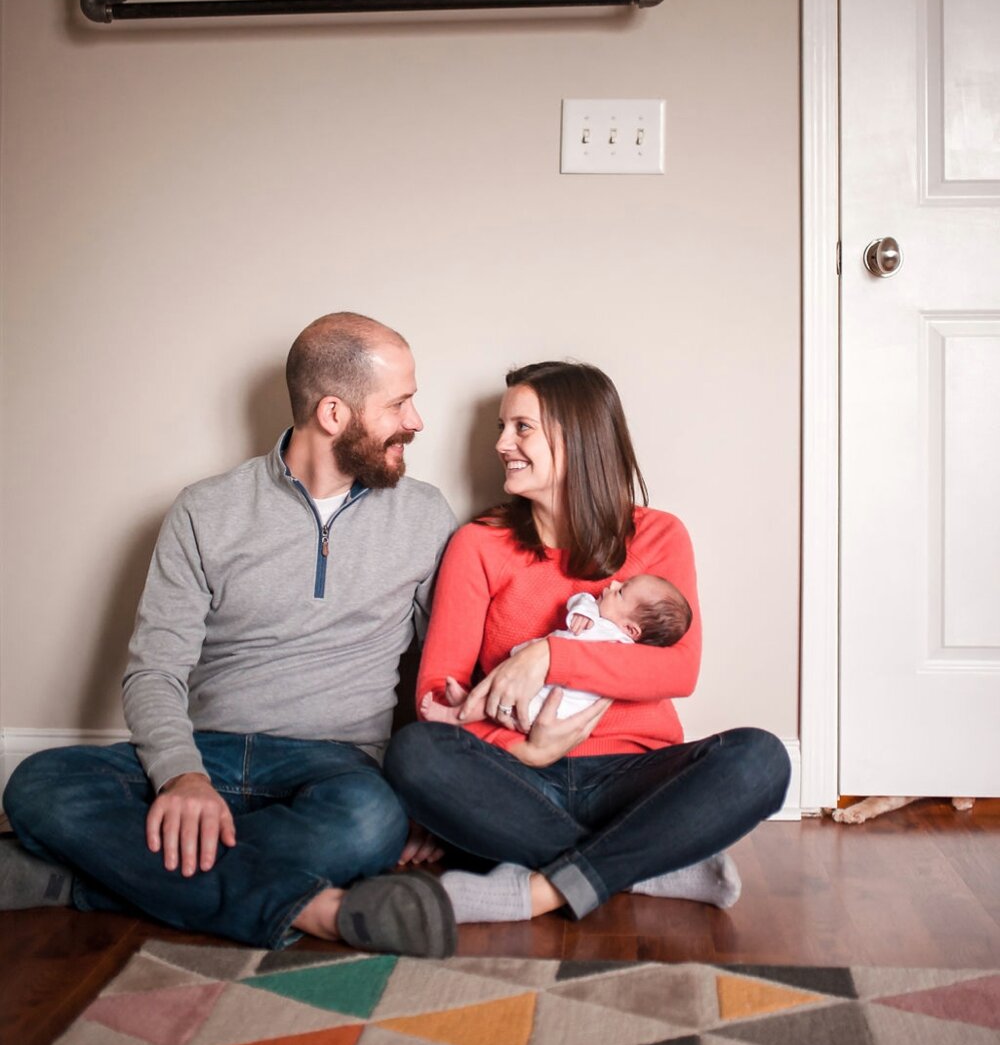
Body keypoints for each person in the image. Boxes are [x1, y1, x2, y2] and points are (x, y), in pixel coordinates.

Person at [1, 313, 459, 955]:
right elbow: (154, 671)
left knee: (369, 824)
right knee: (39, 783)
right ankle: (316, 908)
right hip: (207, 752)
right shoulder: (205, 510)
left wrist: (433, 798)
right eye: (400, 402)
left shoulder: (424, 514)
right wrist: (183, 777)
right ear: (334, 413)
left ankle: (88, 880)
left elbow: (445, 670)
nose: (416, 421)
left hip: (337, 766)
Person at [384, 360, 791, 928]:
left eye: (521, 427)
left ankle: (543, 887)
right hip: (518, 779)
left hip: (633, 780)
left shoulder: (658, 536)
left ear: (577, 439)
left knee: (761, 759)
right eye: (503, 427)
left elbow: (679, 670)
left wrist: (550, 655)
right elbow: (434, 695)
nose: (502, 444)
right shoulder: (479, 545)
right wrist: (527, 751)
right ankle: (645, 865)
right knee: (415, 753)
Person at [421, 573, 691, 726]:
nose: (613, 584)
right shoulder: (596, 613)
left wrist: (554, 657)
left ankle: (457, 716)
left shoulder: (622, 644)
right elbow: (581, 598)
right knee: (503, 690)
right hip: (529, 674)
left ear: (632, 630)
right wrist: (583, 611)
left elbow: (668, 671)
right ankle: (467, 701)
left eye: (621, 592)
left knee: (513, 704)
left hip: (559, 702)